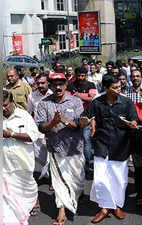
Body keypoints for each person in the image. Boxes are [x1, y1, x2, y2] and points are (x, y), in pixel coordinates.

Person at [79, 75, 140, 223]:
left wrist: (132, 124)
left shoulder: (126, 102)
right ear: (106, 89)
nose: (118, 90)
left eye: (119, 87)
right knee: (100, 180)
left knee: (119, 180)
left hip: (121, 147)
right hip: (101, 146)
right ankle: (105, 208)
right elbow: (84, 119)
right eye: (115, 88)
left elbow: (134, 119)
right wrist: (85, 121)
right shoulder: (97, 102)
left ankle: (117, 205)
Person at [34, 72, 86, 225]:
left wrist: (63, 120)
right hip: (55, 149)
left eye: (61, 83)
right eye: (54, 84)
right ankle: (61, 210)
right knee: (59, 182)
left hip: (75, 148)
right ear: (50, 86)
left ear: (66, 85)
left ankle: (74, 196)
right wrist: (53, 123)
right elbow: (42, 128)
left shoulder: (75, 101)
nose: (58, 87)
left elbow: (79, 124)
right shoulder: (43, 103)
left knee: (77, 182)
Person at [2, 90, 41, 225]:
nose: (3, 108)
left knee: (28, 184)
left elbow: (33, 136)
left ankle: (34, 202)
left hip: (23, 160)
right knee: (7, 190)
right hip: (4, 162)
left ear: (12, 102)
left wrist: (11, 134)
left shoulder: (23, 115)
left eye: (5, 105)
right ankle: (13, 210)